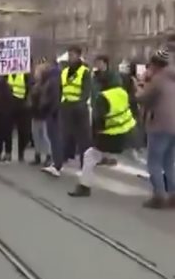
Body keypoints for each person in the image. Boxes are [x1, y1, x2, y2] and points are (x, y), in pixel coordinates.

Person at [68, 70, 137, 198]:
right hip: (128, 131)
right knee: (139, 158)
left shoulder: (103, 97)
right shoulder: (122, 92)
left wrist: (96, 136)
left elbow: (98, 120)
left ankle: (84, 187)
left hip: (110, 134)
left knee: (89, 155)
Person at [136, 49, 175, 208]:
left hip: (160, 124)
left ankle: (159, 196)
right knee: (168, 162)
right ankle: (173, 195)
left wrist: (138, 89)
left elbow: (145, 99)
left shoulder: (158, 79)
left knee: (154, 162)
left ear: (155, 64)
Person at [59, 46, 92, 168]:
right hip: (67, 106)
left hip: (80, 108)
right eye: (69, 55)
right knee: (65, 134)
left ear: (78, 55)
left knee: (83, 137)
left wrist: (81, 103)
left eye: (73, 55)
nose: (70, 57)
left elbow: (86, 90)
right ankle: (63, 158)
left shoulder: (84, 71)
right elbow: (61, 88)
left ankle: (85, 162)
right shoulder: (65, 71)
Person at [5, 70, 32, 162]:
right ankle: (8, 153)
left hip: (21, 105)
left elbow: (29, 88)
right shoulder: (6, 74)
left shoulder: (24, 75)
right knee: (8, 130)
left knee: (22, 131)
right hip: (9, 104)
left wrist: (27, 100)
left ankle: (21, 153)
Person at [29, 61, 52, 166]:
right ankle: (37, 154)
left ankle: (49, 155)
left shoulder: (47, 84)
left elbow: (47, 99)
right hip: (35, 112)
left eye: (38, 72)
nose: (35, 74)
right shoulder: (35, 85)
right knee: (36, 135)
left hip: (43, 113)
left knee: (45, 136)